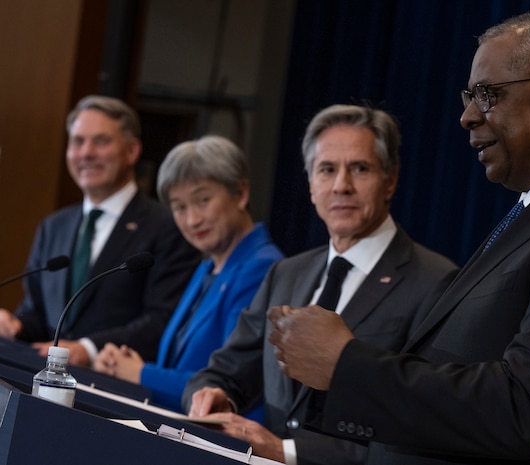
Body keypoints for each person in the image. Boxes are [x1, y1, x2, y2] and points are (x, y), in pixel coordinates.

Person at [267, 11, 530, 465]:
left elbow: (526, 410)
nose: (467, 117)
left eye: (488, 95)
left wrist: (345, 365)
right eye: (469, 96)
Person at [183, 104, 458, 464]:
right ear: (311, 184)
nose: (341, 186)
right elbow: (224, 370)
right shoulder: (286, 274)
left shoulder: (436, 282)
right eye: (327, 170)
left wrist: (289, 452)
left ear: (389, 180)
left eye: (359, 169)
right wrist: (212, 395)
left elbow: (421, 430)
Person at [0, 95, 200, 367]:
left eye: (101, 141)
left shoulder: (167, 226)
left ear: (132, 151)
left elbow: (164, 319)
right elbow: (37, 315)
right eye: (78, 141)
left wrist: (88, 349)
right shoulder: (53, 226)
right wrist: (16, 326)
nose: (86, 153)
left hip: (112, 390)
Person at [93, 135, 284, 414]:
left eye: (203, 200)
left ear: (241, 193)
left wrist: (140, 373)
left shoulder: (263, 268)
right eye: (179, 207)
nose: (192, 219)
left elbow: (227, 386)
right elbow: (183, 366)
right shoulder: (208, 266)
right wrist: (130, 365)